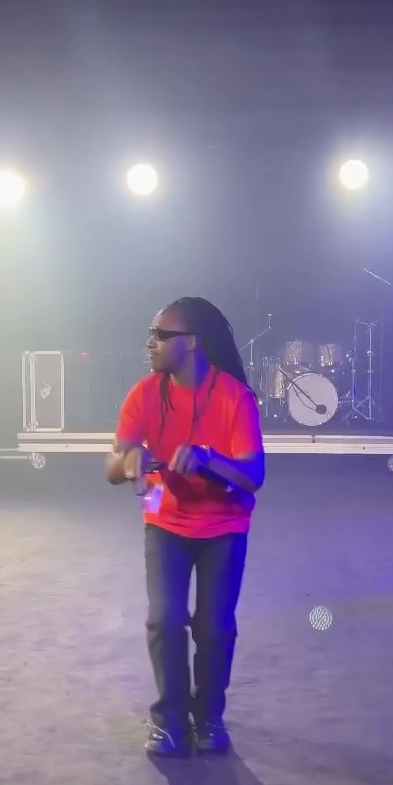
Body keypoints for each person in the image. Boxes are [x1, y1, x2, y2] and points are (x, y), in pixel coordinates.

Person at [107, 297, 265, 757]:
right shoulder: (144, 395)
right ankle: (170, 720)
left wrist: (210, 461)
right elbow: (112, 467)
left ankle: (208, 716)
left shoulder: (234, 397)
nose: (151, 343)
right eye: (150, 334)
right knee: (165, 619)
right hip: (166, 519)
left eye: (161, 334)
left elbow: (254, 476)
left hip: (224, 524)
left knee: (213, 628)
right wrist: (129, 461)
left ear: (191, 342)